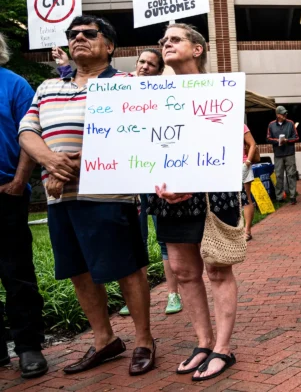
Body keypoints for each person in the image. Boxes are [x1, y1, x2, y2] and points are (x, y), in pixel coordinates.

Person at [19, 15, 155, 375]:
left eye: (88, 34)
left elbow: (133, 134)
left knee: (128, 267)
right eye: (73, 34)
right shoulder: (48, 86)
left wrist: (67, 170)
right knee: (79, 271)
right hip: (59, 198)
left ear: (109, 46)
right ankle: (104, 340)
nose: (78, 38)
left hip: (109, 195)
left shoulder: (127, 85)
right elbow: (27, 132)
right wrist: (49, 160)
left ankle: (144, 340)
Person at [52, 47, 183, 317]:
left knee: (163, 238)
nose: (145, 66)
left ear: (159, 72)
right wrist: (65, 66)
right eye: (142, 62)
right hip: (129, 182)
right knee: (138, 239)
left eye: (151, 64)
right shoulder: (121, 87)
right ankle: (134, 297)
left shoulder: (162, 96)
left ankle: (172, 294)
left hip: (157, 178)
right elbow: (88, 97)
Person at [149, 23, 240, 381]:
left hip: (212, 194)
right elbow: (146, 146)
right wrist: (159, 184)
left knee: (218, 268)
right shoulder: (152, 94)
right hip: (169, 197)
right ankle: (202, 343)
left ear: (197, 49)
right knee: (184, 272)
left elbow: (230, 145)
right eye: (163, 41)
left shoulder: (222, 89)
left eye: (174, 39)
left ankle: (223, 348)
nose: (166, 44)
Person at [0, 33, 47, 379]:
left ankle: (28, 347)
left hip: (6, 193)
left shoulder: (15, 85)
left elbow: (30, 136)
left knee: (16, 273)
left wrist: (19, 183)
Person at [267, 106, 299, 205]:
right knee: (278, 175)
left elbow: (296, 137)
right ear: (278, 115)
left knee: (291, 175)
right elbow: (268, 138)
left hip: (289, 153)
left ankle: (293, 196)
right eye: (283, 114)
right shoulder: (271, 125)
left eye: (285, 113)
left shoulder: (291, 123)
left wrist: (287, 140)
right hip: (278, 154)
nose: (285, 115)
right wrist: (277, 141)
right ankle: (279, 197)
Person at [243, 124, 257, 241]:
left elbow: (252, 144)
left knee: (246, 197)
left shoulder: (241, 126)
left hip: (242, 165)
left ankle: (247, 230)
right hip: (223, 166)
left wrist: (247, 162)